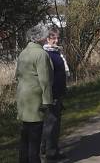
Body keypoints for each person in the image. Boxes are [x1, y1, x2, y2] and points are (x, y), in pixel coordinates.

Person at [15, 24, 53, 163]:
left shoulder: (23, 52)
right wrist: (48, 102)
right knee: (34, 139)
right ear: (41, 37)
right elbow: (45, 81)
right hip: (35, 99)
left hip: (23, 98)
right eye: (46, 35)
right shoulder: (41, 54)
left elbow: (17, 75)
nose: (47, 38)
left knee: (25, 137)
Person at [41, 26, 68, 160]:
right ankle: (51, 153)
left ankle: (47, 148)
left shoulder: (56, 52)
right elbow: (46, 76)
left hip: (58, 91)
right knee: (52, 123)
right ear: (47, 39)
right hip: (52, 93)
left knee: (52, 122)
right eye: (53, 38)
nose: (56, 40)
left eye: (57, 38)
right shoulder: (47, 54)